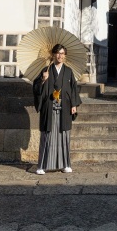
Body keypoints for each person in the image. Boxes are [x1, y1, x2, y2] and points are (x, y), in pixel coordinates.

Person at [32, 43, 81, 174]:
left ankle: (65, 164)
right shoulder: (46, 70)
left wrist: (74, 105)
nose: (60, 56)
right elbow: (36, 88)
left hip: (64, 108)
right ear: (53, 54)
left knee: (64, 136)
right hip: (49, 107)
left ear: (65, 56)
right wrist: (43, 80)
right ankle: (41, 166)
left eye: (62, 53)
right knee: (47, 136)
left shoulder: (68, 71)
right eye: (58, 53)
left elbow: (74, 89)